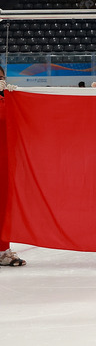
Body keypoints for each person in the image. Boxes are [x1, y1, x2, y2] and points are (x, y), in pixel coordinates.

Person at [0, 66, 27, 267]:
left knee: (3, 207)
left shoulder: (8, 102)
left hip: (5, 164)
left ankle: (2, 250)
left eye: (1, 77)